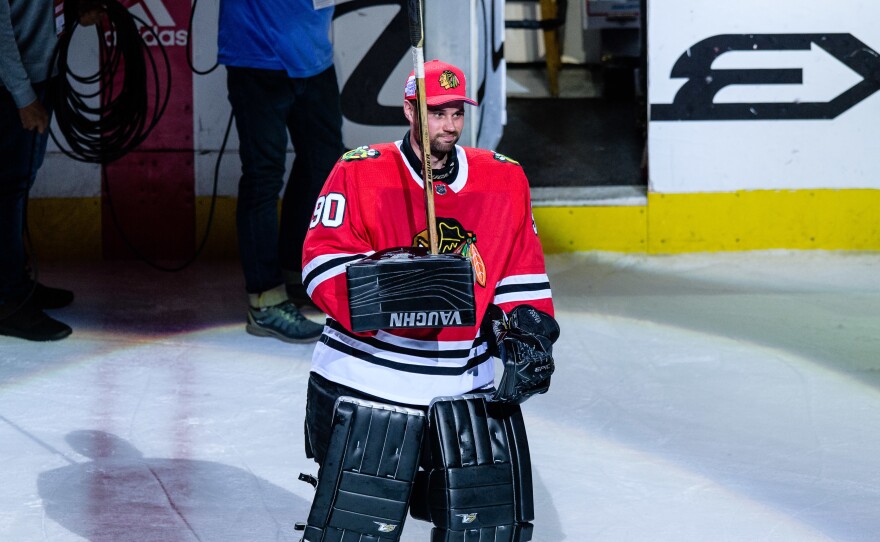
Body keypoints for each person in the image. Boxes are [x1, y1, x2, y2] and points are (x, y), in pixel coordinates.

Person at [299, 60, 558, 539]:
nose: (450, 125)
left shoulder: (503, 180)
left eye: (456, 112)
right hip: (369, 382)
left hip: (463, 385)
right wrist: (407, 282)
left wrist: (528, 340)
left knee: (485, 529)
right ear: (409, 110)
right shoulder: (359, 172)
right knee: (357, 531)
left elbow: (521, 275)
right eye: (436, 113)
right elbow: (321, 266)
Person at [217, 0, 344, 343]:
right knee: (263, 176)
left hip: (312, 55)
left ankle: (292, 272)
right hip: (257, 55)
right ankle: (264, 300)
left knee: (323, 163)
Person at [0, 0, 101, 341]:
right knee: (5, 191)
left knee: (17, 185)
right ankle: (7, 301)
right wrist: (23, 96)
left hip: (36, 75)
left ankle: (16, 283)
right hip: (11, 85)